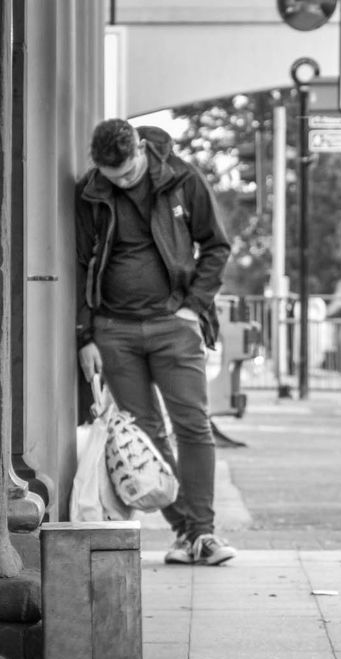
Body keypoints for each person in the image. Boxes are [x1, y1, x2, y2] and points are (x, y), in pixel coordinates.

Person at [75, 119, 237, 566]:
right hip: (114, 331)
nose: (125, 181)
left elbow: (216, 246)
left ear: (142, 149)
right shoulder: (91, 192)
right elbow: (80, 263)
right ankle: (189, 534)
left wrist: (193, 308)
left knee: (193, 426)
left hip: (173, 325)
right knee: (145, 433)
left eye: (129, 172)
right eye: (115, 177)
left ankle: (201, 531)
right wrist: (85, 334)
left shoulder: (183, 178)